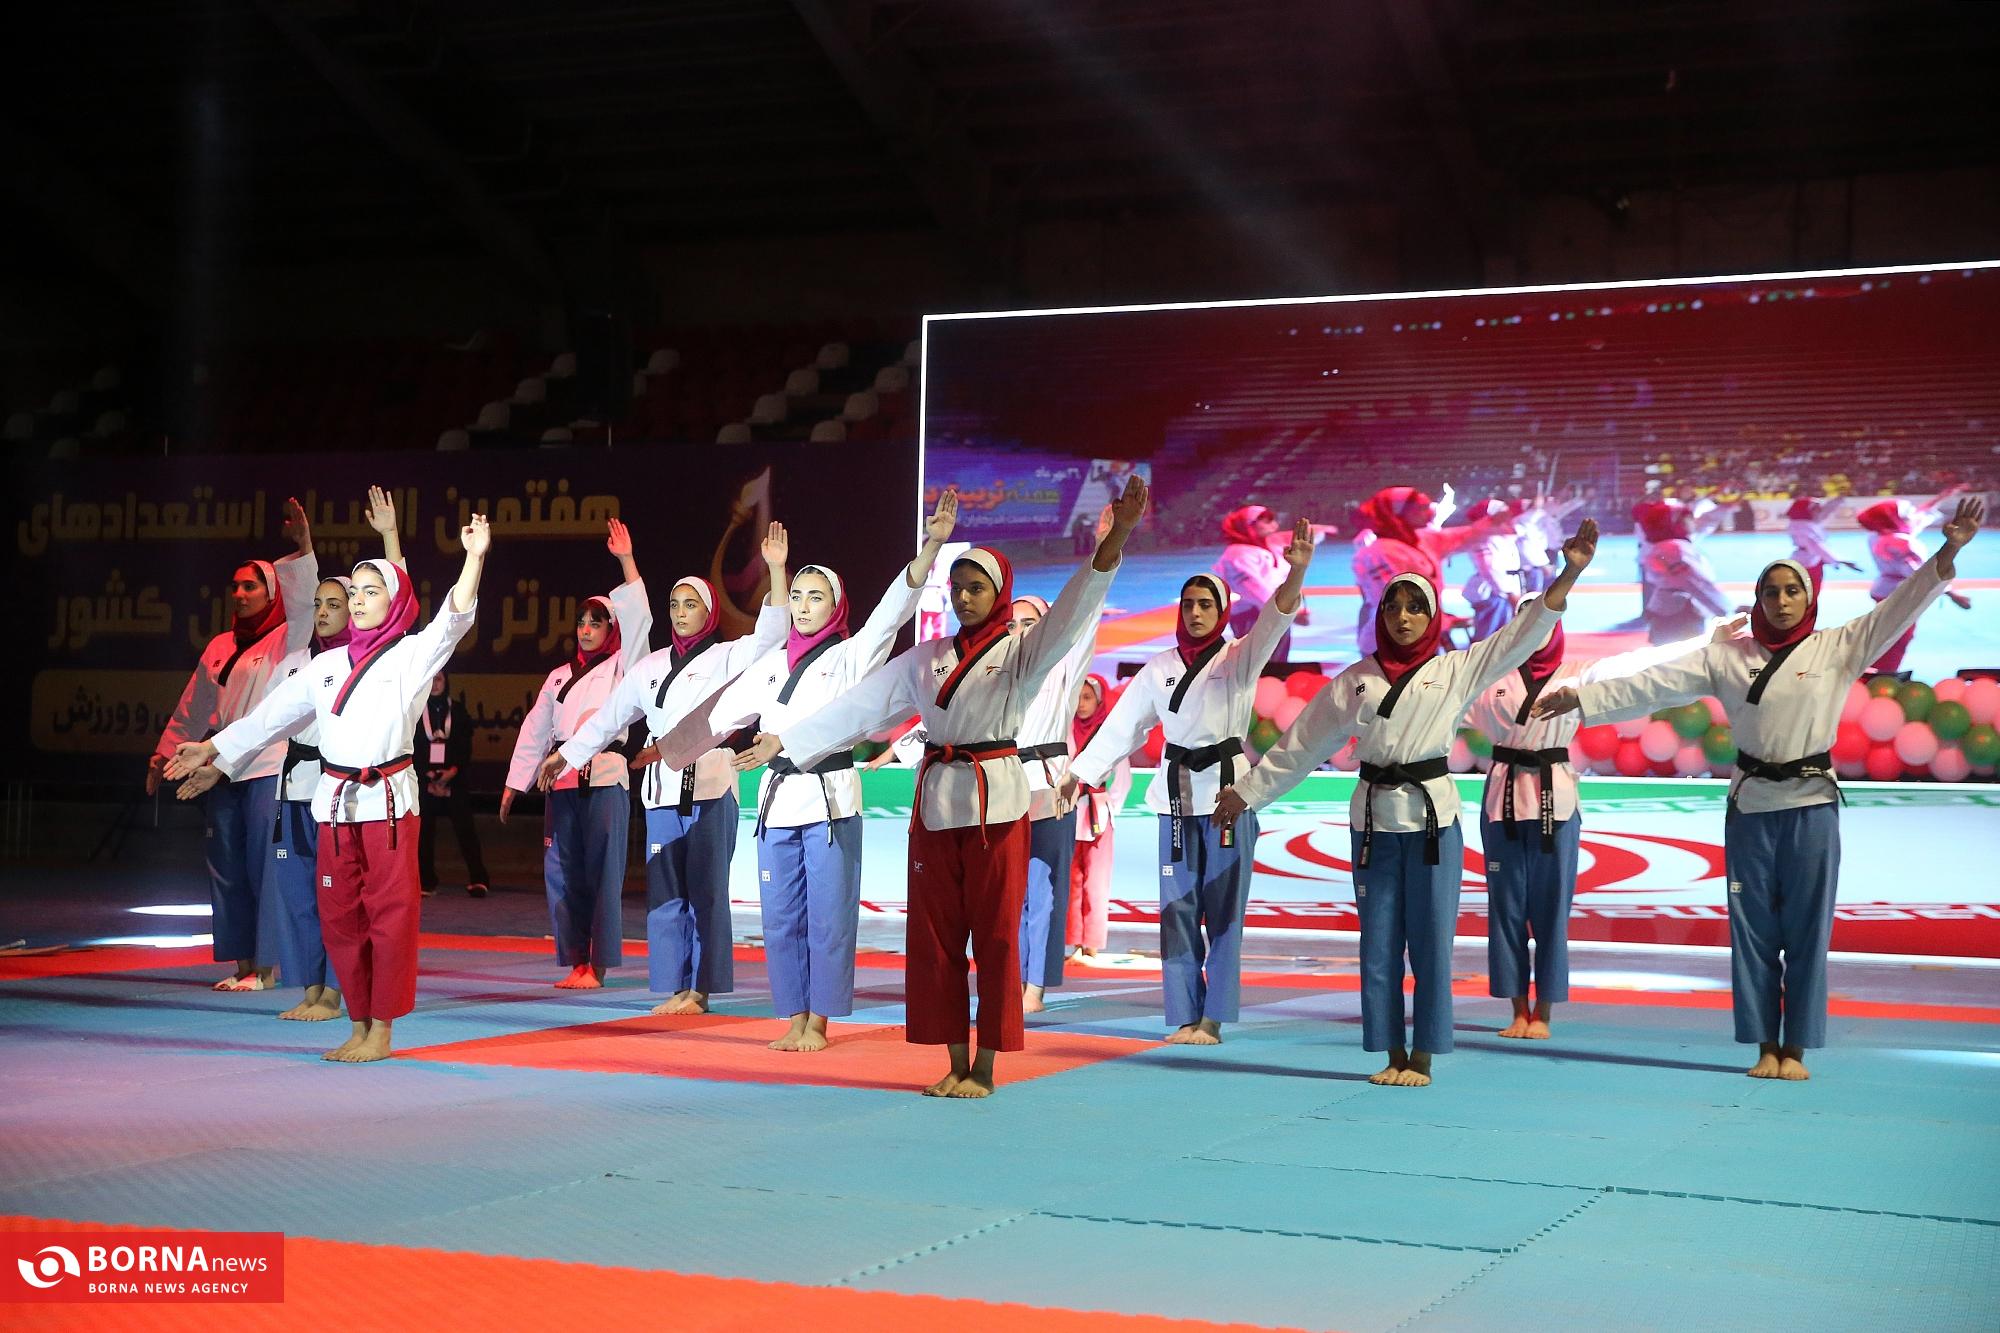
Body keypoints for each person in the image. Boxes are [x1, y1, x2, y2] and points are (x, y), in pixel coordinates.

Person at [1535, 497, 1983, 1081]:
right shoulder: (1728, 657)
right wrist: (1583, 698)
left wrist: (1948, 550)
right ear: (1757, 600)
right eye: (1771, 592)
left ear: (1809, 598)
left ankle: (1795, 1048)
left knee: (1806, 931)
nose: (1782, 601)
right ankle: (1764, 1046)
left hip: (1811, 808)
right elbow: (1655, 684)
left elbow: (1900, 606)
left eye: (1792, 591)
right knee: (1752, 934)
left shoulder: (1837, 648)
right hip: (1750, 808)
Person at [736, 475, 1148, 1098]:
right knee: (936, 941)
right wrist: (784, 742)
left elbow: (1074, 611)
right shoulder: (927, 656)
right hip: (935, 807)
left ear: (999, 592)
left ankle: (986, 1067)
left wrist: (1115, 539)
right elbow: (861, 706)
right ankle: (955, 1060)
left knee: (997, 939)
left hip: (995, 806)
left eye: (976, 587)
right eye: (957, 588)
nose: (964, 597)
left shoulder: (1023, 651)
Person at [1213, 518, 1601, 1087]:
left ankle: (1422, 1057)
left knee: (1431, 943)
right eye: (1393, 607)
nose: (1403, 617)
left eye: (1415, 608)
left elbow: (1521, 634)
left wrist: (1568, 573)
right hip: (1373, 821)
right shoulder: (1356, 680)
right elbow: (1301, 746)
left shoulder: (1456, 669)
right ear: (1379, 615)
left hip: (1432, 824)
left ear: (1432, 615)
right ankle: (1391, 1051)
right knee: (1378, 944)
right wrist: (1246, 792)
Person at [167, 508, 494, 1062]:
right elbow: (269, 719)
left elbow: (454, 617)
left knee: (389, 921)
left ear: (395, 601)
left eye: (371, 591)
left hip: (388, 805)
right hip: (335, 808)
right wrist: (213, 748)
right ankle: (358, 1020)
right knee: (341, 920)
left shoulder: (411, 656)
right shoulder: (325, 665)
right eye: (355, 592)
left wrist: (474, 558)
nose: (359, 600)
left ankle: (382, 1028)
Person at [711, 491, 959, 1050]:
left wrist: (931, 546)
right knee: (780, 916)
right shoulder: (771, 663)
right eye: (796, 596)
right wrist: (684, 745)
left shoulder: (853, 655)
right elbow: (720, 716)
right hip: (776, 799)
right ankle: (793, 1015)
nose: (802, 606)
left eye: (815, 597)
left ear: (837, 605)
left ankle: (819, 1021)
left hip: (829, 799)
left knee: (827, 916)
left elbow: (894, 610)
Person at [1061, 519, 1313, 1043]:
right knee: (1177, 912)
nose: (1195, 613)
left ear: (1222, 612)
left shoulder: (1239, 657)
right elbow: (1121, 727)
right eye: (1188, 605)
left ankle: (1213, 1017)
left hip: (1227, 798)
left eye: (1206, 605)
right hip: (1174, 799)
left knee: (1224, 913)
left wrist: (1296, 573)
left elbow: (1274, 620)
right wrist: (1079, 774)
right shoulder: (1158, 668)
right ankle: (1183, 1013)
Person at [539, 528, 791, 1016]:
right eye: (674, 604)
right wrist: (566, 754)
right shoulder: (649, 667)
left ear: (709, 612)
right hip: (660, 793)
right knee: (667, 893)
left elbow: (772, 635)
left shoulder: (727, 656)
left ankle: (701, 989)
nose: (679, 612)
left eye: (690, 604)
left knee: (707, 891)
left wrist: (777, 570)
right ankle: (675, 985)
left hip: (711, 786)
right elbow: (608, 719)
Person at [1463, 607, 1747, 1038]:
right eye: (1525, 623)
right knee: (1506, 910)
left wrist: (1706, 641)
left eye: (1543, 623)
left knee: (1551, 910)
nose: (1534, 631)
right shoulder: (1486, 677)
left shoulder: (1577, 674)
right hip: (1502, 803)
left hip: (1555, 803)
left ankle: (1544, 1012)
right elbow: (1433, 700)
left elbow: (1642, 663)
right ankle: (1517, 1011)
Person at [151, 499, 320, 991]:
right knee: (225, 867)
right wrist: (163, 753)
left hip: (268, 766)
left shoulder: (290, 638)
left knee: (264, 868)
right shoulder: (220, 646)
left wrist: (303, 547)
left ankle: (266, 968)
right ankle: (244, 964)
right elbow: (193, 706)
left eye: (251, 586)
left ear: (272, 592)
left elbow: (306, 599)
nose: (240, 594)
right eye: (237, 586)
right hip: (220, 767)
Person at [500, 519, 653, 988]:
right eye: (582, 622)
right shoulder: (559, 676)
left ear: (611, 629)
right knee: (562, 874)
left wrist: (626, 561)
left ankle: (597, 964)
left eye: (596, 623)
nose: (586, 630)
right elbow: (535, 730)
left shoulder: (625, 667)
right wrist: (513, 785)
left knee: (601, 874)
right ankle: (575, 961)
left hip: (604, 778)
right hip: (561, 781)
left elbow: (639, 621)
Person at [1005, 587, 1098, 1016]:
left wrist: (1104, 562)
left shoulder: (1064, 667)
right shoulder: (996, 673)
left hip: (1049, 789)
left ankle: (1035, 986)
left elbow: (1087, 625)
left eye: (1030, 623)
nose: (1021, 632)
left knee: (1042, 891)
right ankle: (1009, 980)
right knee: (1008, 895)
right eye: (1012, 624)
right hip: (1004, 790)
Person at [1350, 485, 1513, 655]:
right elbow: (1400, 603)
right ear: (1398, 514)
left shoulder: (1421, 539)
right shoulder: (1378, 553)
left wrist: (1492, 522)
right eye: (1420, 508)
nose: (1428, 512)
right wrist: (1442, 621)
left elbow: (1464, 536)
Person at [1854, 486, 1972, 673]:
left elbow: (1917, 516)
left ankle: (1877, 669)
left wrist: (1940, 498)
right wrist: (1952, 593)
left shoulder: (1880, 535)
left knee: (1886, 633)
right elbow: (1921, 573)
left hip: (1885, 589)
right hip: (1901, 594)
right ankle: (1883, 673)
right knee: (1898, 638)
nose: (1913, 515)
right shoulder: (1901, 542)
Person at [1066, 674, 1127, 960]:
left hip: (1098, 816)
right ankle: (1074, 942)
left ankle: (1091, 943)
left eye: (1087, 697)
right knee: (1072, 880)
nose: (1081, 704)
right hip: (1069, 811)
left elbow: (1123, 779)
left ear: (1099, 700)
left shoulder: (1109, 734)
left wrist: (1108, 807)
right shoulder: (1065, 730)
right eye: (1077, 697)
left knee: (1096, 882)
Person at [415, 672, 488, 898]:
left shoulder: (457, 710)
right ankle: (426, 881)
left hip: (454, 779)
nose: (435, 684)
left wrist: (451, 773)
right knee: (423, 832)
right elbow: (412, 746)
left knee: (466, 830)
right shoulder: (416, 710)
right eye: (431, 680)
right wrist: (427, 775)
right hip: (425, 780)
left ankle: (478, 879)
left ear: (446, 682)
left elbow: (464, 745)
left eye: (439, 679)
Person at [1785, 497, 1860, 596]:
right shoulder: (1802, 526)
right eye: (1815, 509)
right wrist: (1838, 560)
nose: (1819, 511)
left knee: (1811, 592)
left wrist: (1837, 500)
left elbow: (1825, 512)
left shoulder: (1806, 522)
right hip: (1807, 563)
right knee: (1809, 593)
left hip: (1812, 560)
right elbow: (1815, 545)